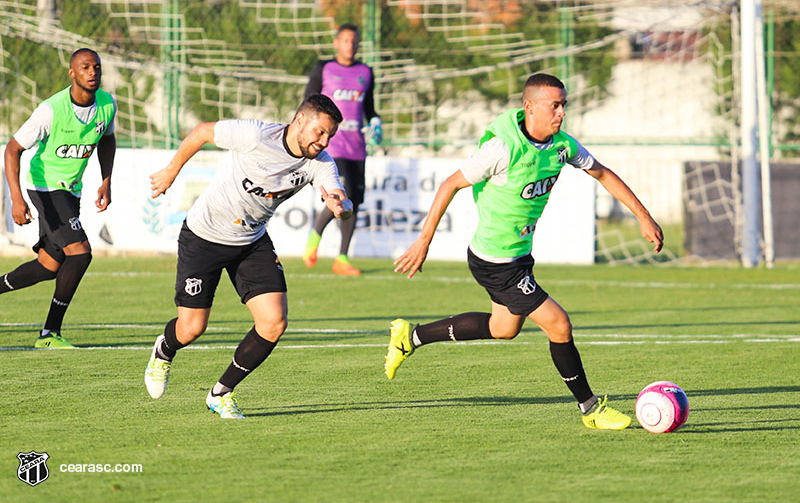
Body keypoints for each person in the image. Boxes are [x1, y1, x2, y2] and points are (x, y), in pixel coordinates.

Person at [386, 73, 664, 430]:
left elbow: (603, 173)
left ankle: (410, 337)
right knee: (559, 325)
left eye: (564, 104)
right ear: (529, 107)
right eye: (555, 105)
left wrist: (643, 216)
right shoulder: (502, 149)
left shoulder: (562, 146)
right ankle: (591, 409)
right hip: (495, 262)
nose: (562, 112)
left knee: (502, 328)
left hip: (517, 257)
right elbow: (450, 184)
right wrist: (424, 241)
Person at [144, 94, 352, 418]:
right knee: (191, 328)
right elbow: (202, 131)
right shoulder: (255, 135)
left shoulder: (320, 162)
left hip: (251, 241)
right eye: (320, 132)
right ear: (300, 121)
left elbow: (338, 193)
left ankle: (220, 393)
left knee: (273, 322)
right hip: (204, 236)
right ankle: (164, 350)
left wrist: (340, 205)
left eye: (330, 136)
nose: (323, 141)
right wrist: (171, 171)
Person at [1, 48, 117, 349]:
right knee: (80, 253)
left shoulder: (107, 104)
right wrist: (16, 197)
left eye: (97, 67)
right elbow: (12, 149)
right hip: (45, 187)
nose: (92, 72)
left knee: (48, 266)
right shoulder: (50, 111)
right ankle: (49, 334)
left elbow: (107, 139)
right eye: (85, 67)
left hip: (71, 189)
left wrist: (106, 180)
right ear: (72, 73)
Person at [301, 23, 381, 276]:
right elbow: (309, 103)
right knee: (338, 197)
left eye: (354, 41)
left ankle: (342, 258)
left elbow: (368, 107)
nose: (350, 45)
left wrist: (376, 121)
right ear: (336, 43)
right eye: (345, 40)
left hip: (357, 148)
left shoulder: (366, 71)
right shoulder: (324, 68)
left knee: (353, 203)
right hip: (331, 146)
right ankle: (314, 239)